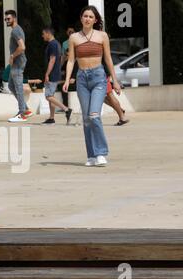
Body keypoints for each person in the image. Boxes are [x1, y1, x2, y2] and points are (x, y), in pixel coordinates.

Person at [63, 5, 121, 167]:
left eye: (90, 16)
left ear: (95, 20)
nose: (87, 19)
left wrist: (114, 81)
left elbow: (108, 59)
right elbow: (71, 60)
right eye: (85, 16)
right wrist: (68, 79)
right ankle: (91, 155)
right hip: (82, 79)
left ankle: (101, 152)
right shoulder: (74, 37)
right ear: (81, 18)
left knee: (94, 115)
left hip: (98, 78)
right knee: (87, 119)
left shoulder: (102, 36)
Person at [4, 10, 33, 123]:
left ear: (14, 19)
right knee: (11, 86)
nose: (7, 21)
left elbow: (22, 47)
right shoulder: (17, 29)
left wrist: (12, 56)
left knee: (18, 88)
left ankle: (22, 114)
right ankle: (25, 109)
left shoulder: (16, 31)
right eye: (6, 19)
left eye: (9, 19)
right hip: (17, 63)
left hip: (17, 63)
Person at [41, 27, 72, 125]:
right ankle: (51, 118)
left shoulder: (53, 44)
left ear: (47, 33)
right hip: (55, 72)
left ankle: (66, 109)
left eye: (43, 34)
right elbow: (61, 58)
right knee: (51, 96)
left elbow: (52, 59)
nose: (42, 36)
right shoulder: (56, 44)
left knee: (48, 96)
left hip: (52, 74)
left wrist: (47, 74)